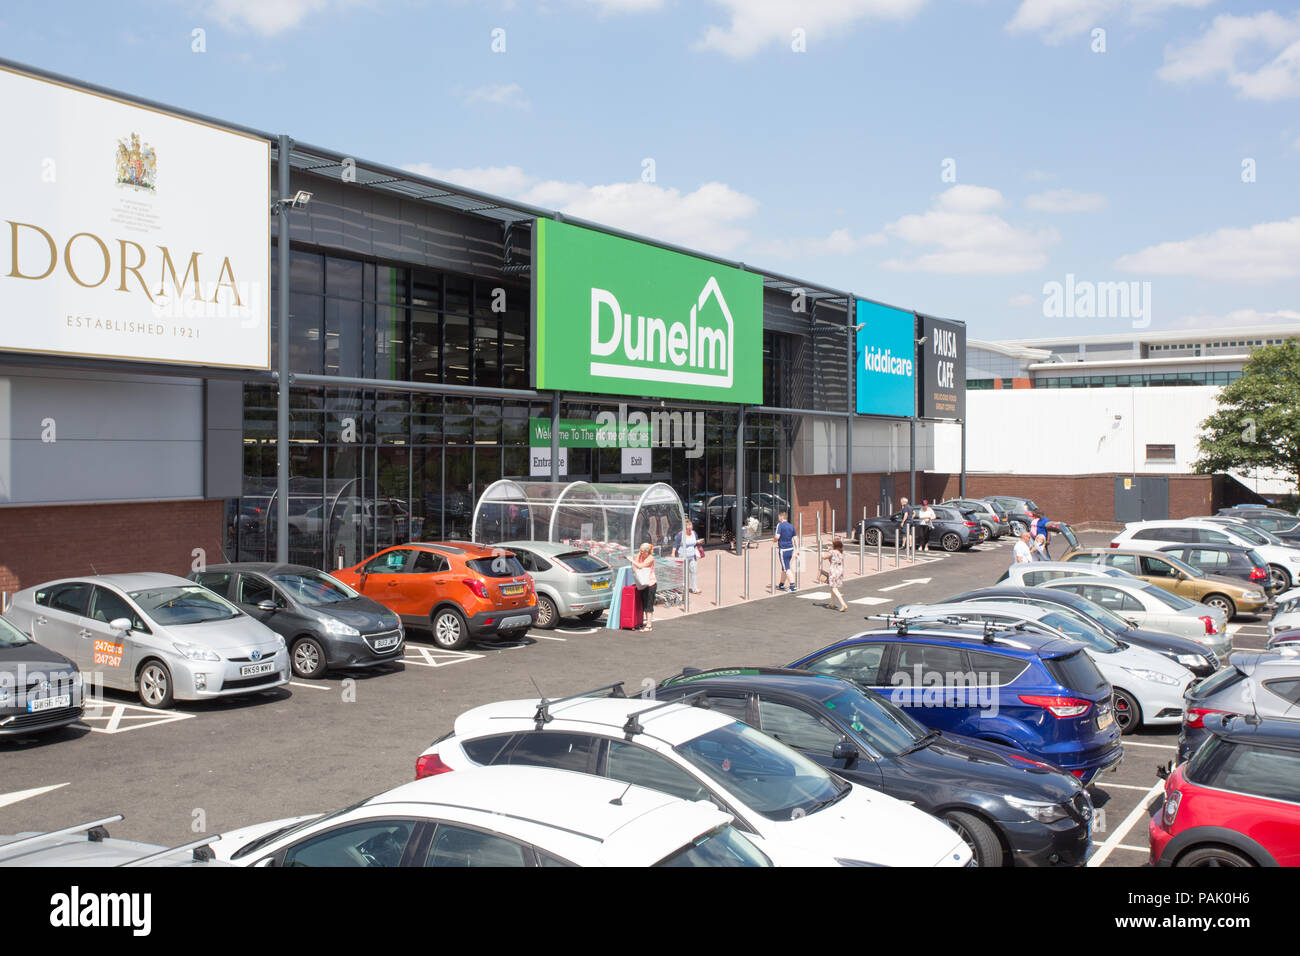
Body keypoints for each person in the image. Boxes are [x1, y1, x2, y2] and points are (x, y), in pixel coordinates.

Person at [630, 542, 657, 632]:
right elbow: (634, 568)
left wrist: (632, 560)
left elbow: (641, 566)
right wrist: (637, 557)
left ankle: (649, 625)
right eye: (640, 551)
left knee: (649, 604)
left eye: (642, 551)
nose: (640, 553)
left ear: (647, 552)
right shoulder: (640, 556)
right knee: (644, 604)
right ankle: (647, 623)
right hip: (642, 583)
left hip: (650, 583)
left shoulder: (651, 558)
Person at [672, 518, 703, 594]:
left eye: (691, 526)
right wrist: (673, 553)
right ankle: (682, 588)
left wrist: (698, 541)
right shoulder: (680, 534)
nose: (690, 528)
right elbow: (675, 544)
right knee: (683, 573)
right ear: (684, 527)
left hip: (692, 555)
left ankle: (694, 588)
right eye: (688, 527)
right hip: (683, 555)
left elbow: (694, 542)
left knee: (694, 572)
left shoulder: (694, 533)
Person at [773, 510, 797, 592]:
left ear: (782, 517)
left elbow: (777, 536)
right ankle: (781, 584)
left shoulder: (780, 525)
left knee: (787, 568)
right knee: (784, 567)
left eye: (779, 517)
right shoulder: (791, 526)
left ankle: (792, 585)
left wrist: (774, 540)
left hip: (783, 549)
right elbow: (795, 538)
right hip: (790, 549)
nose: (778, 518)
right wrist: (797, 548)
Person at [822, 537, 847, 612]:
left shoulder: (832, 552)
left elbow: (824, 557)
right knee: (834, 587)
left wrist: (822, 552)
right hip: (840, 570)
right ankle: (831, 603)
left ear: (834, 545)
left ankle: (843, 604)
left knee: (834, 588)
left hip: (833, 570)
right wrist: (831, 549)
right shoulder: (840, 552)